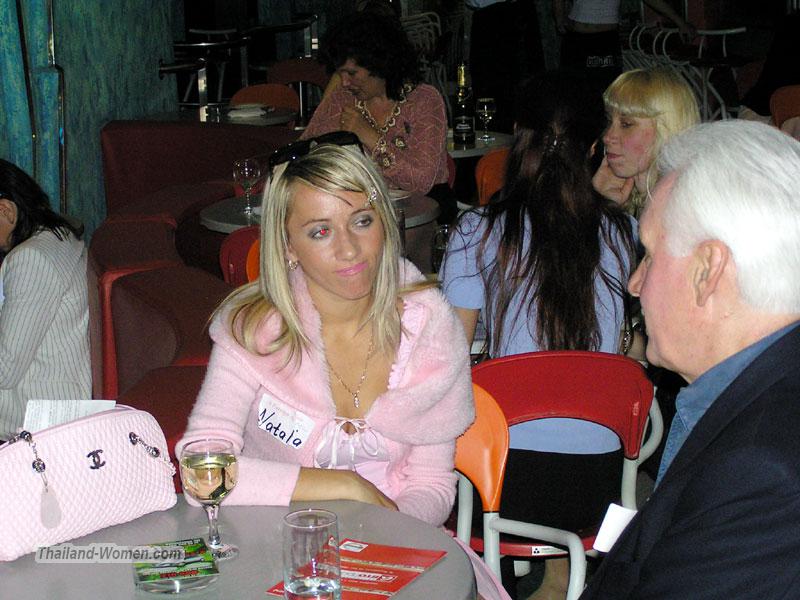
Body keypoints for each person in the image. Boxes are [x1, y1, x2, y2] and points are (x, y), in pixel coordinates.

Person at [176, 136, 474, 528]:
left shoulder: (431, 331)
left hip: (398, 538)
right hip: (278, 539)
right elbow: (203, 472)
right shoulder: (255, 329)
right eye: (321, 231)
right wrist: (345, 486)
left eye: (362, 221)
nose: (349, 249)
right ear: (288, 246)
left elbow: (431, 483)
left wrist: (390, 533)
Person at [580, 120, 800, 598]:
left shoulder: (760, 472)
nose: (634, 285)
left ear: (708, 270)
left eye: (649, 255)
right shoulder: (754, 391)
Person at [440, 72, 637, 600]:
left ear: (517, 140)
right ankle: (555, 573)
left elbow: (451, 360)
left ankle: (494, 573)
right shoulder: (623, 232)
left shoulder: (478, 231)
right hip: (600, 486)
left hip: (503, 484)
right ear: (593, 147)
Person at [301, 12, 453, 217]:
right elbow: (304, 153)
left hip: (422, 214)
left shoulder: (424, 100)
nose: (344, 82)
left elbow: (421, 182)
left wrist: (369, 136)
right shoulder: (342, 99)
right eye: (339, 73)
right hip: (359, 211)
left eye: (352, 73)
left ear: (380, 65)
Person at [0, 159, 91, 441]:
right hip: (51, 404)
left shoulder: (31, 259)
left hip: (35, 424)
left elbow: (4, 369)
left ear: (5, 210)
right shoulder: (59, 234)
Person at [592, 66, 699, 219]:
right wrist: (604, 206)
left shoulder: (682, 214)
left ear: (666, 131)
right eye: (609, 121)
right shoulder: (629, 197)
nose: (607, 137)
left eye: (626, 124)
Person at [554, 0, 695, 95]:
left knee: (609, 91)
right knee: (573, 91)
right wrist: (559, 18)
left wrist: (680, 22)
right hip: (577, 40)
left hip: (605, 41)